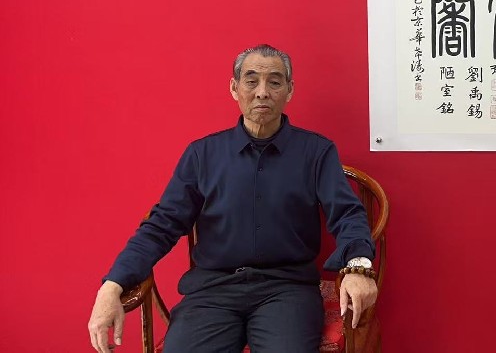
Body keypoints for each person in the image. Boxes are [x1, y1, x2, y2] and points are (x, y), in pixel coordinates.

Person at [87, 44, 378, 353]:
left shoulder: (316, 152)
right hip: (212, 291)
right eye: (251, 81)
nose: (262, 92)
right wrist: (113, 284)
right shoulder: (202, 154)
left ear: (289, 90)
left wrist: (358, 265)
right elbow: (162, 224)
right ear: (234, 88)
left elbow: (347, 214)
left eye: (274, 82)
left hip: (287, 291)